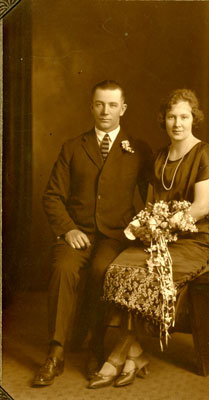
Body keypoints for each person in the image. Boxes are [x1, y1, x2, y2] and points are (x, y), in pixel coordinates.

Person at [88, 88, 209, 389]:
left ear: (193, 119)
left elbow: (200, 208)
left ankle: (119, 354)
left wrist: (167, 226)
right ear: (164, 120)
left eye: (184, 117)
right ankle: (135, 353)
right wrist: (144, 226)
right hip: (162, 238)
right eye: (171, 117)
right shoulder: (160, 156)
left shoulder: (204, 153)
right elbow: (152, 203)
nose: (177, 123)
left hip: (196, 240)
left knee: (152, 274)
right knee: (118, 267)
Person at [32, 80, 152, 386]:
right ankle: (56, 353)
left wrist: (140, 226)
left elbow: (154, 196)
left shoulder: (138, 150)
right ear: (91, 106)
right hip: (78, 234)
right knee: (63, 268)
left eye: (112, 105)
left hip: (114, 237)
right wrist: (68, 229)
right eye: (99, 104)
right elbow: (52, 196)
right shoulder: (73, 147)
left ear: (123, 109)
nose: (105, 111)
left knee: (102, 270)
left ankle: (96, 347)